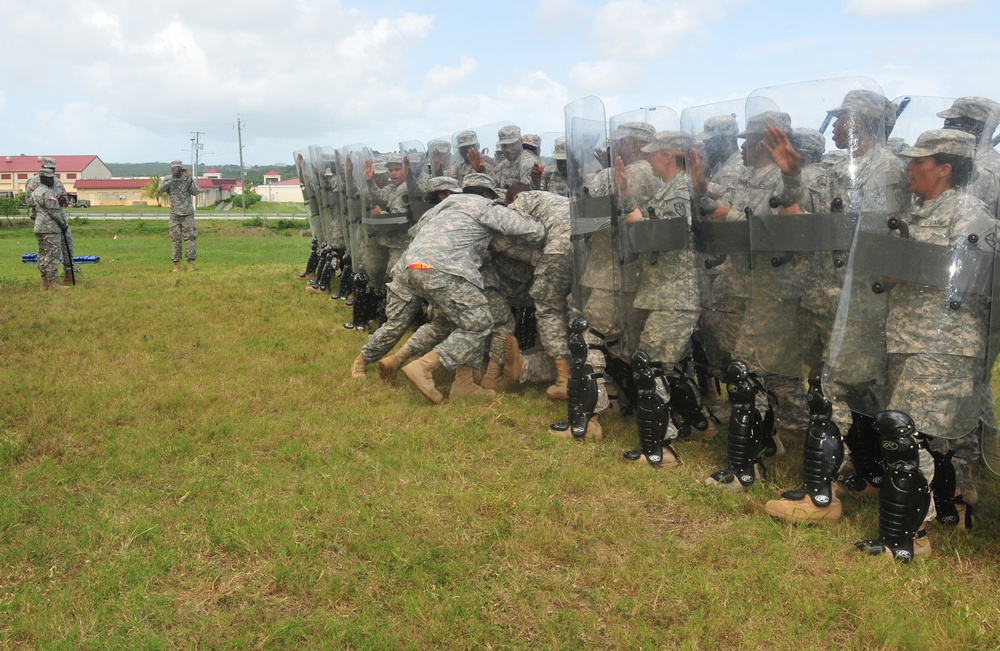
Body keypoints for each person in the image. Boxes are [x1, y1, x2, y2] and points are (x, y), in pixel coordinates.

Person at [855, 129, 994, 560]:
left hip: (945, 343)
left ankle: (907, 538)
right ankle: (946, 508)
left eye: (920, 161)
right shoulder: (913, 211)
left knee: (905, 436)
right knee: (924, 435)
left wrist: (905, 267)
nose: (909, 167)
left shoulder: (971, 213)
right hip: (906, 337)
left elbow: (974, 276)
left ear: (946, 168)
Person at [398, 173, 546, 404]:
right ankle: (425, 367)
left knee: (467, 321)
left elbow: (413, 232)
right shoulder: (485, 206)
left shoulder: (446, 205)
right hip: (448, 268)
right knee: (480, 326)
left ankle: (464, 384)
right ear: (487, 194)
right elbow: (533, 230)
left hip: (415, 264)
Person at [26, 157, 75, 284]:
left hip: (58, 218)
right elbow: (29, 202)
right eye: (48, 169)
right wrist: (50, 202)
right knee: (49, 251)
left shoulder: (57, 181)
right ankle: (48, 280)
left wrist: (63, 200)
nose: (51, 172)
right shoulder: (34, 182)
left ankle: (68, 273)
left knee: (67, 244)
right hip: (46, 221)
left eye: (53, 169)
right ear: (42, 168)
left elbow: (64, 197)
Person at [32, 168, 71, 291]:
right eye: (49, 178)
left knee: (42, 255)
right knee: (52, 255)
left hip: (39, 227)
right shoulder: (48, 193)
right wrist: (64, 225)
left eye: (52, 177)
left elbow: (33, 210)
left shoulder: (36, 192)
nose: (51, 180)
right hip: (51, 228)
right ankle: (53, 283)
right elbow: (54, 212)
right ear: (42, 178)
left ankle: (44, 283)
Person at [159, 160, 200, 271]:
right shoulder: (168, 179)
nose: (176, 170)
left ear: (182, 168)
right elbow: (161, 189)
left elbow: (196, 192)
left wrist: (189, 178)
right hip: (175, 214)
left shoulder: (187, 179)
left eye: (178, 168)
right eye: (174, 168)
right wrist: (172, 178)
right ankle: (176, 264)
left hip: (187, 214)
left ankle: (190, 263)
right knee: (175, 239)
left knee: (190, 238)